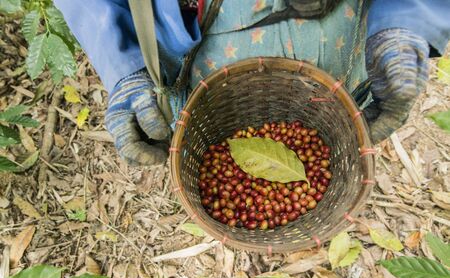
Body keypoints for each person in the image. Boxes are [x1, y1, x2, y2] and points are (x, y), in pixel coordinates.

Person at [55, 0, 450, 166]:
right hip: (194, 43)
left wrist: (408, 20)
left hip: (345, 37)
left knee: (318, 139)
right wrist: (122, 59)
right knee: (216, 149)